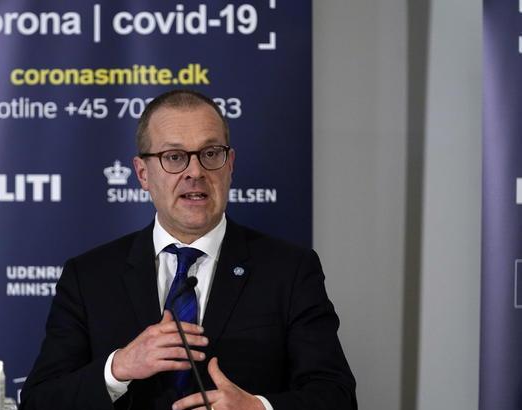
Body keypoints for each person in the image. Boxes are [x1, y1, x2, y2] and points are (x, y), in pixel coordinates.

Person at [19, 90, 357, 410]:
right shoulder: (89, 276)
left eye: (210, 154)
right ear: (142, 173)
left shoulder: (289, 270)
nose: (195, 172)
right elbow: (39, 400)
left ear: (230, 165)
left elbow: (336, 395)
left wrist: (258, 407)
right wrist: (117, 368)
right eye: (174, 157)